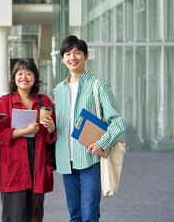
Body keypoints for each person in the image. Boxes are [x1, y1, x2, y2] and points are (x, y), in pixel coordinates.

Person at [54, 35, 125, 222]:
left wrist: (102, 143)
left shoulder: (98, 85)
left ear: (86, 56)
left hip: (90, 159)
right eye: (68, 54)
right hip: (66, 161)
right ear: (63, 59)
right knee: (74, 215)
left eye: (77, 52)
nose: (72, 57)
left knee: (89, 214)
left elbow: (117, 121)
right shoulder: (59, 90)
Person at [0, 59, 56, 222]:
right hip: (14, 170)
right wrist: (25, 131)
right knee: (14, 216)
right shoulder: (5, 101)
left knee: (35, 217)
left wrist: (51, 128)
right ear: (14, 77)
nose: (24, 77)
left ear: (35, 77)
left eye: (29, 73)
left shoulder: (45, 102)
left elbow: (51, 135)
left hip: (37, 167)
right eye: (20, 73)